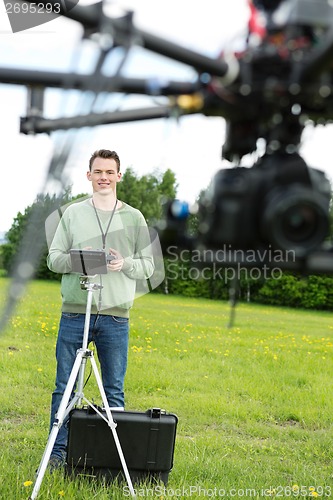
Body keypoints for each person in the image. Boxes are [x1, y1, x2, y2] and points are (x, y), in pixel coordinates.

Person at [46, 149, 154, 468]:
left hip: (115, 319)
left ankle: (109, 458)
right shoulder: (73, 214)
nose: (104, 177)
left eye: (110, 172)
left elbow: (148, 265)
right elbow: (53, 259)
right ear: (89, 175)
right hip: (75, 313)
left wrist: (125, 263)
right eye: (98, 171)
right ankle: (57, 454)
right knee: (64, 388)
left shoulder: (134, 217)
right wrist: (81, 259)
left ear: (119, 176)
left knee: (114, 391)